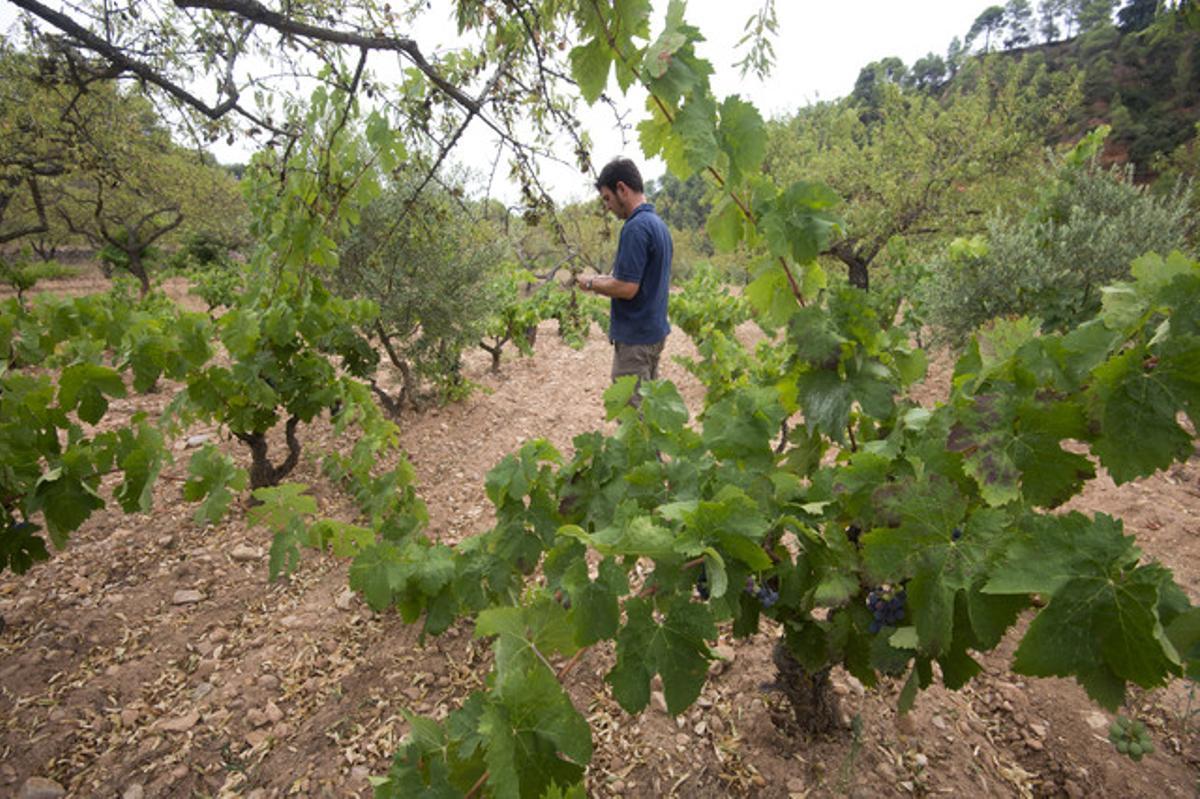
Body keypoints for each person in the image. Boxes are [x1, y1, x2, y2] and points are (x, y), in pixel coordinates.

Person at [580, 158, 672, 406]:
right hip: (652, 334)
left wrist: (590, 284)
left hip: (636, 341)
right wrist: (602, 279)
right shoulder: (658, 225)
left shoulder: (635, 227)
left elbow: (627, 288)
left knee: (634, 418)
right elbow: (634, 279)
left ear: (622, 189)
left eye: (607, 198)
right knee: (649, 411)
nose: (608, 207)